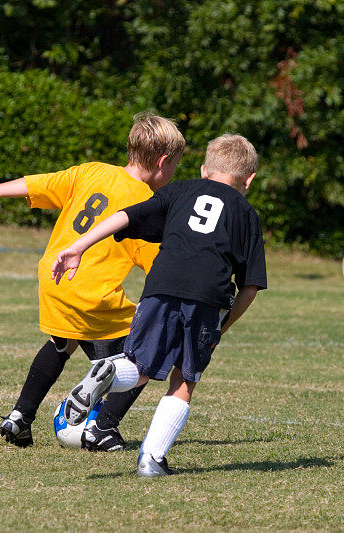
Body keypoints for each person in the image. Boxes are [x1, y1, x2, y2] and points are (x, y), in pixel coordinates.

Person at [0, 113, 185, 450]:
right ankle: (102, 428)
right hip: (93, 292)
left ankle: (20, 416)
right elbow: (157, 263)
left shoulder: (92, 171)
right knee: (145, 358)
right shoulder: (146, 204)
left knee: (63, 342)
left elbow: (39, 184)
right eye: (176, 165)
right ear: (163, 162)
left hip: (56, 277)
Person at [52, 134, 267, 476]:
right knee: (184, 380)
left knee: (140, 365)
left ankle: (107, 371)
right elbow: (250, 287)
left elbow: (125, 216)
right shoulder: (246, 214)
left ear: (204, 169)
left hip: (160, 285)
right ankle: (151, 461)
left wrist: (80, 246)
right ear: (250, 178)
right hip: (207, 296)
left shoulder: (180, 191)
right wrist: (223, 326)